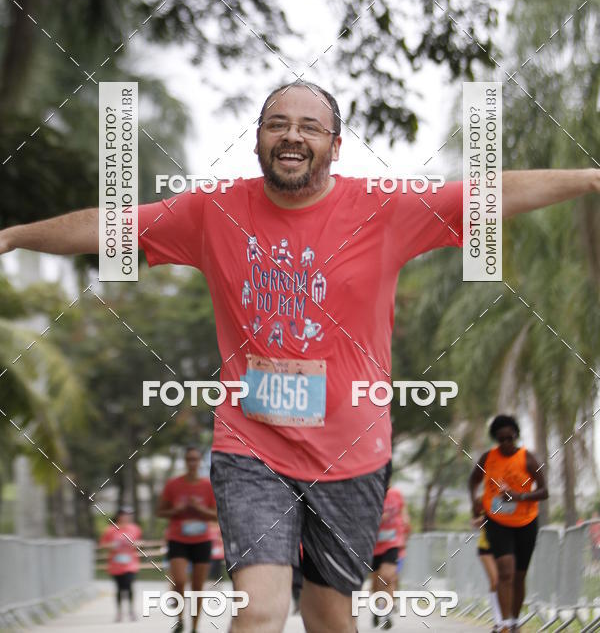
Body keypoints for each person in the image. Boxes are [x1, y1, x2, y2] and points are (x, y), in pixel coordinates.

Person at [0, 80, 596, 633]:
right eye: (277, 124)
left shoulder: (383, 209)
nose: (292, 135)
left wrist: (589, 178)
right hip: (251, 448)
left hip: (354, 453)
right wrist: (14, 235)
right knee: (258, 610)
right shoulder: (213, 211)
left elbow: (489, 194)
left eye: (310, 127)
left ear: (335, 147)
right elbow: (114, 226)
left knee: (328, 617)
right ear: (257, 140)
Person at [469, 415, 548, 633]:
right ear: (495, 438)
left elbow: (544, 491)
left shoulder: (528, 458)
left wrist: (518, 496)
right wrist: (473, 504)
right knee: (506, 572)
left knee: (519, 576)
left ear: (516, 436)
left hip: (526, 522)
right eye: (500, 439)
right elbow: (473, 480)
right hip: (497, 521)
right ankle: (503, 624)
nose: (505, 443)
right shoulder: (488, 458)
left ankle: (514, 621)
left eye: (509, 438)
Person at [157, 446, 218, 633]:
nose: (192, 463)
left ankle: (194, 627)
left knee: (198, 586)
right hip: (178, 539)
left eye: (195, 459)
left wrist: (199, 510)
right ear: (185, 462)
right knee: (180, 580)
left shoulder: (208, 486)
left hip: (202, 540)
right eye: (189, 459)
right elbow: (160, 511)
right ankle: (180, 618)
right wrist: (178, 510)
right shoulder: (173, 485)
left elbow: (216, 516)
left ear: (200, 462)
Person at [370, 482, 411, 629]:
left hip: (393, 542)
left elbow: (404, 513)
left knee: (388, 576)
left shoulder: (396, 494)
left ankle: (386, 612)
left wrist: (406, 525)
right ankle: (375, 608)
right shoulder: (369, 494)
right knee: (376, 582)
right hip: (373, 545)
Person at [98, 506, 142, 623]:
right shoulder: (110, 530)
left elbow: (140, 542)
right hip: (115, 564)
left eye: (129, 515)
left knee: (129, 586)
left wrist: (135, 544)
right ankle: (119, 612)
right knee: (119, 589)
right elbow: (102, 544)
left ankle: (131, 610)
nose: (127, 517)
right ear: (119, 516)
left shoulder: (134, 529)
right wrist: (112, 545)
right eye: (124, 514)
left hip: (130, 563)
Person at [473, 514, 501, 632]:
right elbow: (475, 522)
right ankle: (498, 621)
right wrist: (485, 519)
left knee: (509, 582)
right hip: (487, 546)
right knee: (495, 581)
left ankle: (511, 620)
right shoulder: (487, 500)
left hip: (510, 543)